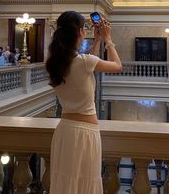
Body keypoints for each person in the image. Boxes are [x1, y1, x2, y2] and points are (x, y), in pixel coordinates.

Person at [46, 11, 122, 194]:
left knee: (66, 183)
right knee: (85, 184)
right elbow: (117, 65)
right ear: (80, 32)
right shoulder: (85, 62)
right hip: (86, 134)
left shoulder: (55, 62)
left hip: (65, 131)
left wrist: (96, 42)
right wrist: (108, 39)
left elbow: (85, 66)